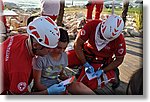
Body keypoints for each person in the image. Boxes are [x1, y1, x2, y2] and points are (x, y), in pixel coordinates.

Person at [1, 16, 67, 95]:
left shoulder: (19, 38)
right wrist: (48, 92)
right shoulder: (21, 69)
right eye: (49, 49)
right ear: (36, 45)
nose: (51, 51)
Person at [67, 15, 126, 90]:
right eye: (101, 36)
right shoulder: (91, 25)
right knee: (65, 58)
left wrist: (103, 70)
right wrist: (85, 63)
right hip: (86, 54)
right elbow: (77, 44)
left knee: (86, 85)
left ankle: (112, 75)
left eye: (107, 39)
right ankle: (82, 69)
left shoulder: (119, 40)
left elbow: (119, 59)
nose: (103, 39)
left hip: (100, 61)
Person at [32, 27, 95, 95]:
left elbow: (60, 74)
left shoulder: (64, 56)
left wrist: (67, 79)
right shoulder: (42, 57)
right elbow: (37, 85)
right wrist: (51, 91)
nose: (61, 51)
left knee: (78, 86)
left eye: (64, 48)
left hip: (56, 84)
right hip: (43, 89)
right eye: (58, 48)